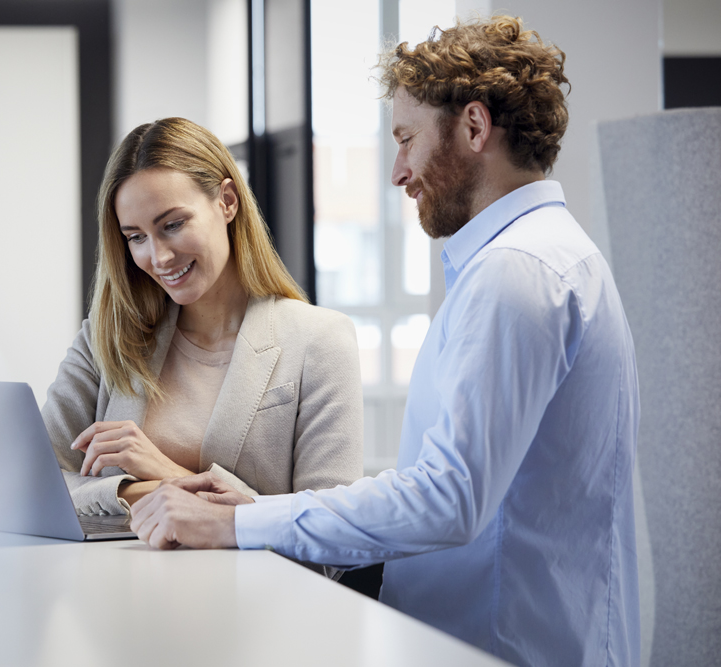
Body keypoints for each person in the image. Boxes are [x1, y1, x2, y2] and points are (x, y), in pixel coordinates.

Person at [129, 16, 640, 667]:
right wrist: (267, 509)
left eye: (406, 139)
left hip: (503, 645)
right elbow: (453, 484)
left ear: (475, 128)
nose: (398, 172)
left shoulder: (517, 274)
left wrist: (238, 523)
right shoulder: (541, 260)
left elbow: (448, 500)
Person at [41, 117, 363, 517]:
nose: (158, 258)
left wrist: (168, 473)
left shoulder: (319, 340)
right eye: (136, 237)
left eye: (172, 225)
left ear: (227, 201)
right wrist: (137, 490)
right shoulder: (105, 338)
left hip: (252, 581)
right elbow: (39, 483)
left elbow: (333, 528)